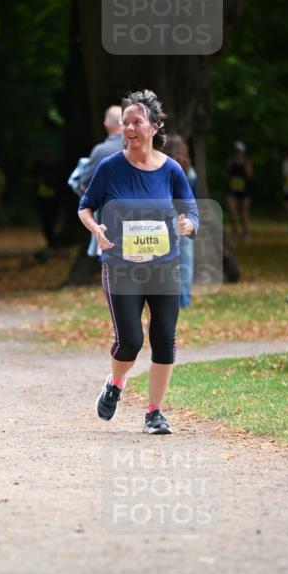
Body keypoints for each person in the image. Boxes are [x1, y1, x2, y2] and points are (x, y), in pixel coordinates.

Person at [78, 89, 198, 435]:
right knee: (130, 341)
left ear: (154, 127)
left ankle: (154, 413)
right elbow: (85, 206)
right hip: (121, 267)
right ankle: (116, 383)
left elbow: (190, 209)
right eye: (125, 122)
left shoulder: (171, 169)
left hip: (164, 266)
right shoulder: (110, 168)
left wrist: (189, 225)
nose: (129, 128)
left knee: (164, 338)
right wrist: (95, 228)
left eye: (136, 122)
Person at [69, 106, 124, 260]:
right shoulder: (141, 147)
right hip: (143, 216)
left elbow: (83, 182)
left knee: (112, 265)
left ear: (106, 124)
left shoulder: (102, 151)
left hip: (111, 219)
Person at [165, 133, 197, 308]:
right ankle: (184, 298)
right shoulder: (190, 172)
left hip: (166, 216)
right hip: (185, 218)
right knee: (185, 259)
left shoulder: (162, 168)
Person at [31, 149, 61, 250]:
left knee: (51, 222)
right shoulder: (38, 168)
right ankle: (50, 242)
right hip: (41, 199)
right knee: (44, 222)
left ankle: (52, 242)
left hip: (53, 199)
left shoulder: (56, 169)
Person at [226, 141, 253, 238]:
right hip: (233, 190)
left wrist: (244, 166)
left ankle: (246, 231)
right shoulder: (230, 161)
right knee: (231, 209)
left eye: (240, 151)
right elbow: (227, 175)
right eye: (237, 151)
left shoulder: (247, 162)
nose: (238, 153)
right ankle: (235, 230)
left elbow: (250, 176)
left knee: (243, 211)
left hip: (245, 191)